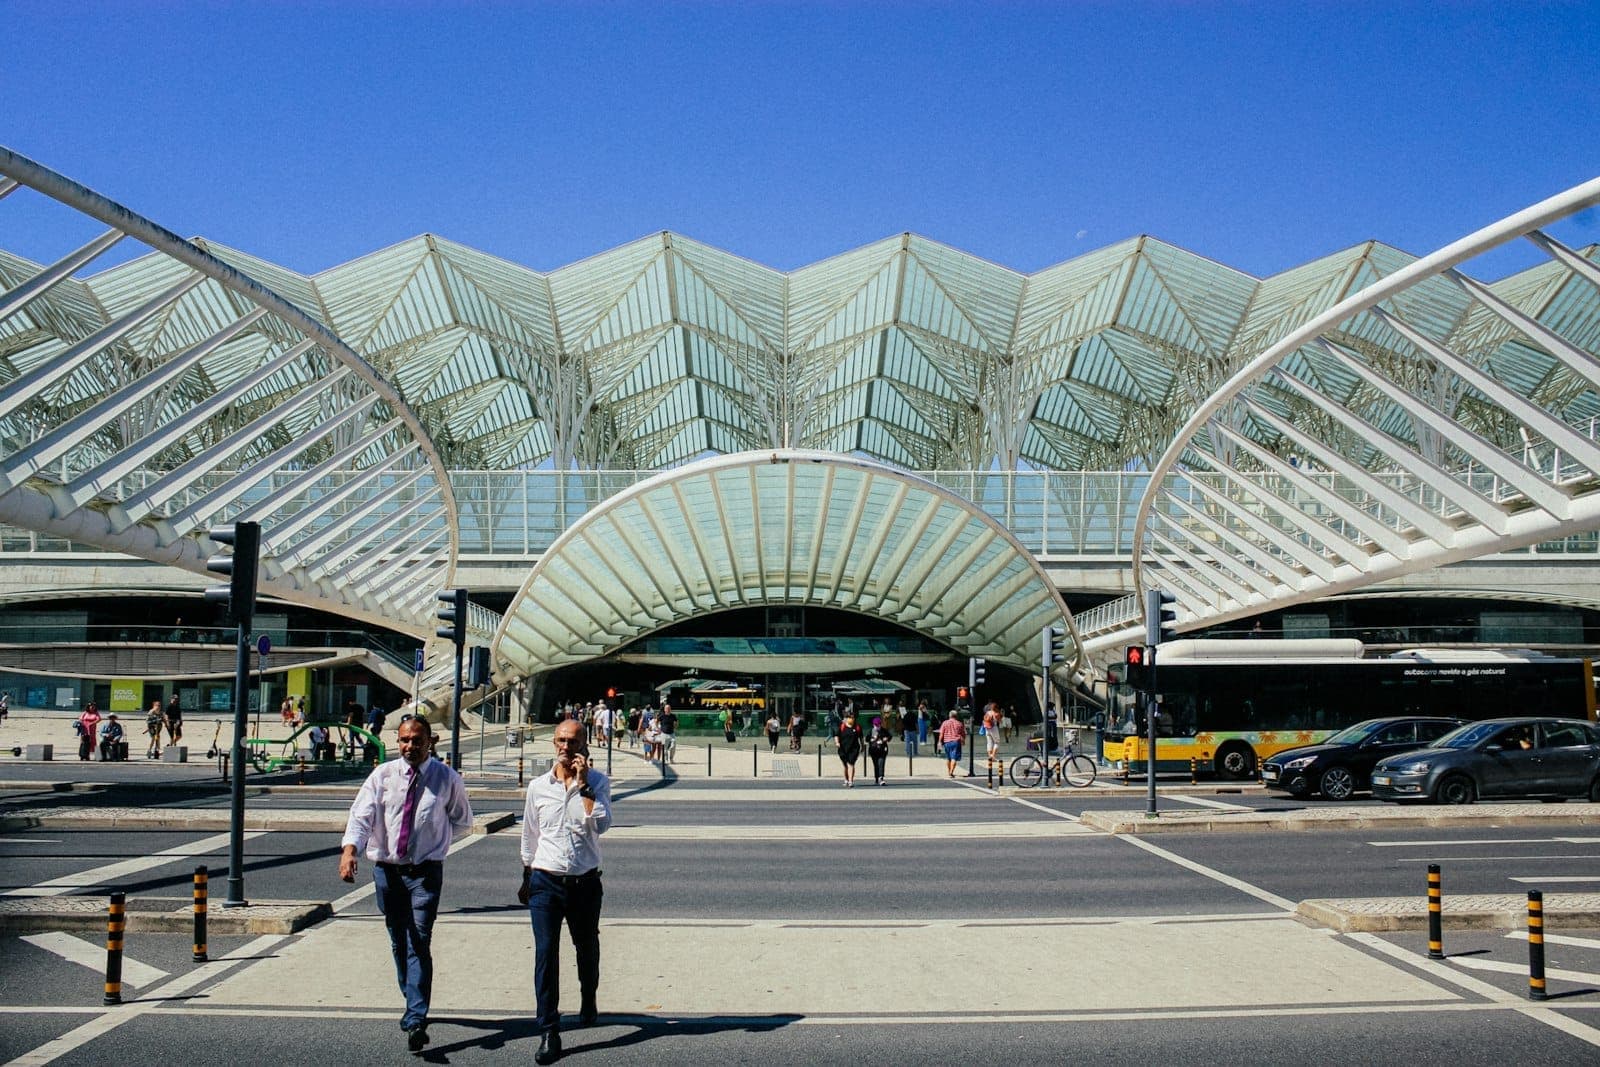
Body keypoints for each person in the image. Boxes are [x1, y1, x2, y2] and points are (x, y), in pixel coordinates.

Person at [339, 716, 473, 1055]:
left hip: (425, 874)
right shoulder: (382, 776)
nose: (409, 746)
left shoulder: (446, 779)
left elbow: (462, 821)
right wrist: (350, 851)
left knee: (419, 940)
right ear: (397, 742)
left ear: (430, 741)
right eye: (404, 740)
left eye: (416, 740)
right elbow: (361, 816)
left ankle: (416, 1018)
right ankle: (411, 996)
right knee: (399, 940)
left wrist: (433, 842)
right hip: (387, 871)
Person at [519, 718, 612, 1064]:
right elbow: (530, 834)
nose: (566, 747)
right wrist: (526, 874)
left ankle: (588, 997)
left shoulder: (599, 782)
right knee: (546, 953)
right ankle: (549, 1029)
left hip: (585, 881)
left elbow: (601, 824)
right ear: (553, 743)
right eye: (561, 740)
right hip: (545, 880)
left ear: (585, 745)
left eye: (573, 741)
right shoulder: (538, 787)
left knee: (586, 946)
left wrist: (584, 787)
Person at [835, 712, 863, 787]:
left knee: (851, 764)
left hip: (854, 749)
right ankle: (846, 779)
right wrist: (837, 743)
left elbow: (861, 738)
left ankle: (851, 781)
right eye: (850, 717)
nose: (851, 719)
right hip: (843, 749)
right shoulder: (842, 726)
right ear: (846, 718)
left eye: (853, 717)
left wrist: (862, 746)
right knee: (845, 766)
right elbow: (836, 735)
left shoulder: (857, 727)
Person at [938, 709, 965, 778]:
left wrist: (939, 741)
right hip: (956, 741)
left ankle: (949, 771)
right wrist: (963, 741)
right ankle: (951, 772)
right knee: (954, 758)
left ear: (949, 716)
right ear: (956, 716)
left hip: (947, 742)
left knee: (948, 758)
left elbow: (941, 733)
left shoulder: (945, 723)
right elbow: (963, 734)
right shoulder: (959, 723)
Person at [867, 715, 892, 785]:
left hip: (882, 750)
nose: (877, 726)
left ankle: (881, 778)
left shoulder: (884, 730)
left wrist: (886, 739)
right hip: (873, 750)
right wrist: (872, 739)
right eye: (876, 725)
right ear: (873, 724)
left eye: (878, 725)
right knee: (876, 765)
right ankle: (876, 778)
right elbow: (867, 739)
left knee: (881, 763)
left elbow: (890, 736)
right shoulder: (871, 731)